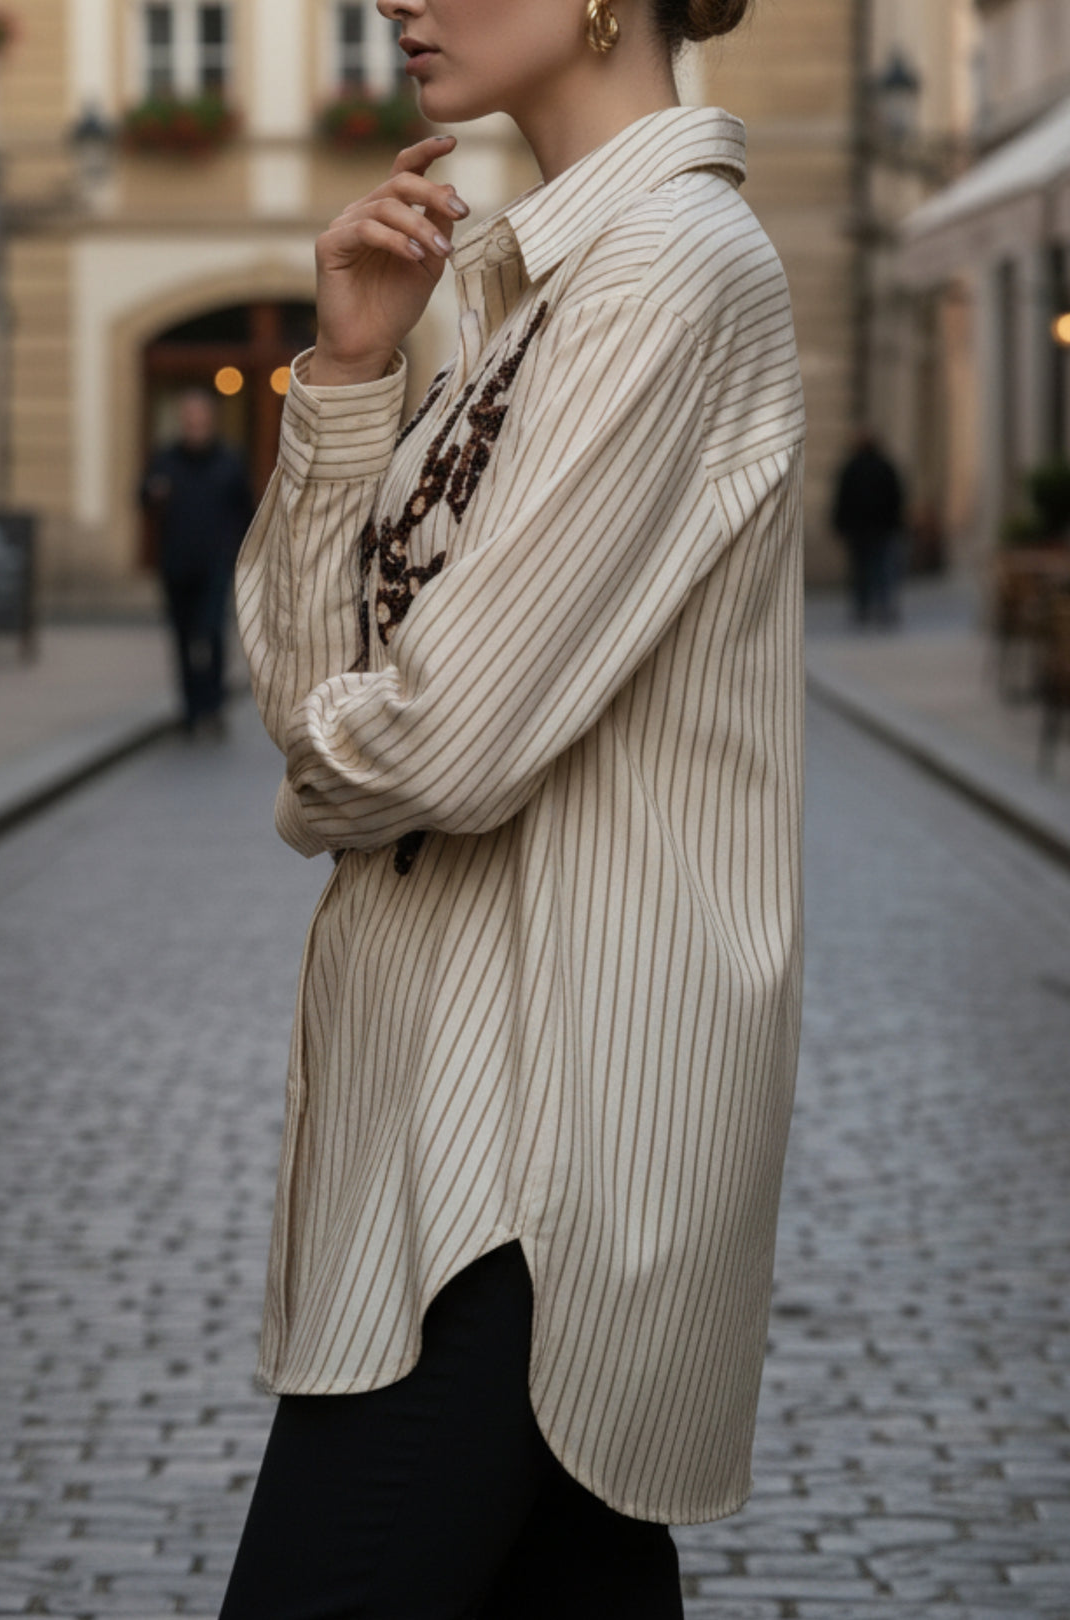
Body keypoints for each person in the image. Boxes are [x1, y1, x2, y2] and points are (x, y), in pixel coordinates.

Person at [220, 0, 806, 1614]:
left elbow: (435, 748)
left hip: (540, 1150)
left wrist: (336, 764)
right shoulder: (503, 289)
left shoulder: (666, 275)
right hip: (447, 1123)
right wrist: (347, 368)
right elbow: (308, 677)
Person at [140, 391, 254, 733]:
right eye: (188, 418)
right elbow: (142, 497)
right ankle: (190, 709)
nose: (194, 424)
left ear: (211, 420)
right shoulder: (165, 460)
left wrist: (238, 551)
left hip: (215, 564)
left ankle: (214, 706)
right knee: (183, 637)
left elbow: (247, 512)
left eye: (199, 417)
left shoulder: (229, 461)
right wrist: (152, 493)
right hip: (176, 563)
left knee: (212, 632)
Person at [831, 430, 907, 627]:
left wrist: (840, 525)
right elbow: (896, 499)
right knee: (882, 569)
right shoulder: (884, 467)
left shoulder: (852, 468)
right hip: (882, 528)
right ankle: (883, 607)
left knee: (861, 570)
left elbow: (842, 499)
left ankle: (863, 608)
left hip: (860, 529)